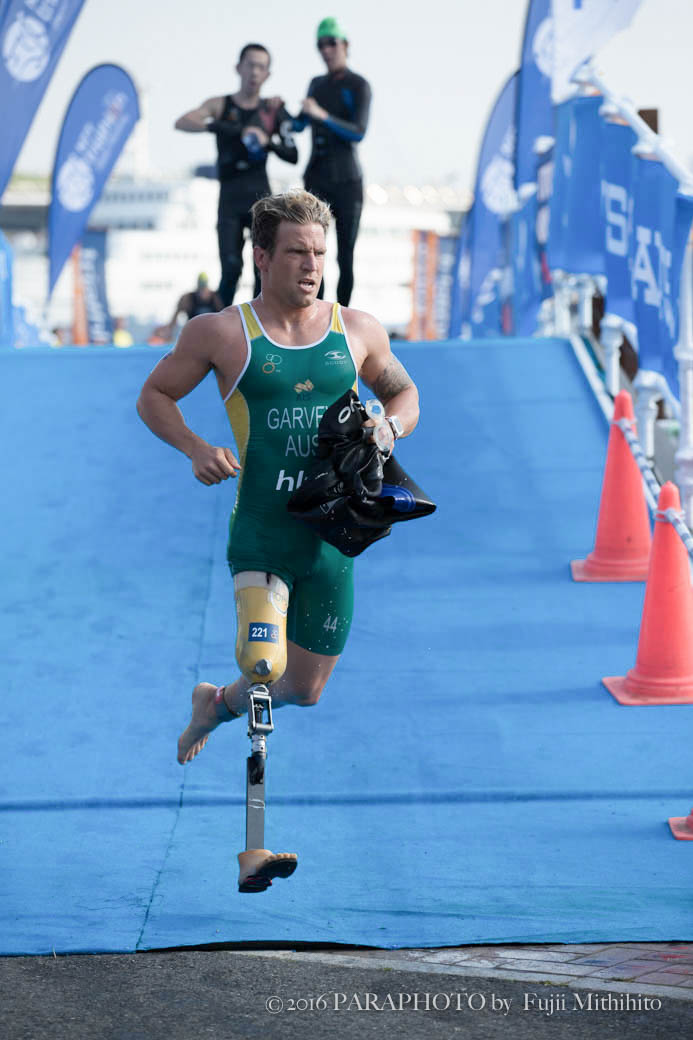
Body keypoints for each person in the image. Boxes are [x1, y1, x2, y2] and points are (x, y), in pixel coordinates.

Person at [136, 189, 419, 889]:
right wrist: (195, 447)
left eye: (320, 253)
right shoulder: (221, 333)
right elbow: (153, 395)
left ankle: (216, 704)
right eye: (296, 251)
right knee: (265, 664)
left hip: (331, 540)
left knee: (306, 687)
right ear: (259, 255)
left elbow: (405, 395)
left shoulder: (355, 331)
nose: (311, 265)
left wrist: (388, 428)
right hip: (261, 533)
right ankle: (255, 847)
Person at [174, 43, 298, 307]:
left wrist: (268, 142)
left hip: (259, 197)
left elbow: (293, 153)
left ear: (267, 75)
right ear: (238, 68)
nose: (254, 72)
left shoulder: (271, 109)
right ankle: (225, 332)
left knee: (263, 269)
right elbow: (183, 122)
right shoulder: (221, 105)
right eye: (250, 65)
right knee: (230, 268)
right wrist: (226, 128)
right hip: (229, 198)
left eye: (261, 67)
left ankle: (260, 331)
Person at [297, 17, 371, 306]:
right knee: (313, 250)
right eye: (321, 45)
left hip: (348, 182)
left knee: (346, 254)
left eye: (332, 43)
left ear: (345, 45)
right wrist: (277, 113)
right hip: (316, 179)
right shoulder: (315, 84)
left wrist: (321, 115)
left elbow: (359, 132)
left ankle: (343, 317)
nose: (326, 50)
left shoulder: (358, 85)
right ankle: (317, 311)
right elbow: (300, 124)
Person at [152, 273, 224, 342]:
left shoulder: (215, 299)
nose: (202, 292)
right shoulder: (188, 298)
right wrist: (169, 331)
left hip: (210, 335)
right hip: (193, 335)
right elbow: (176, 315)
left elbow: (222, 317)